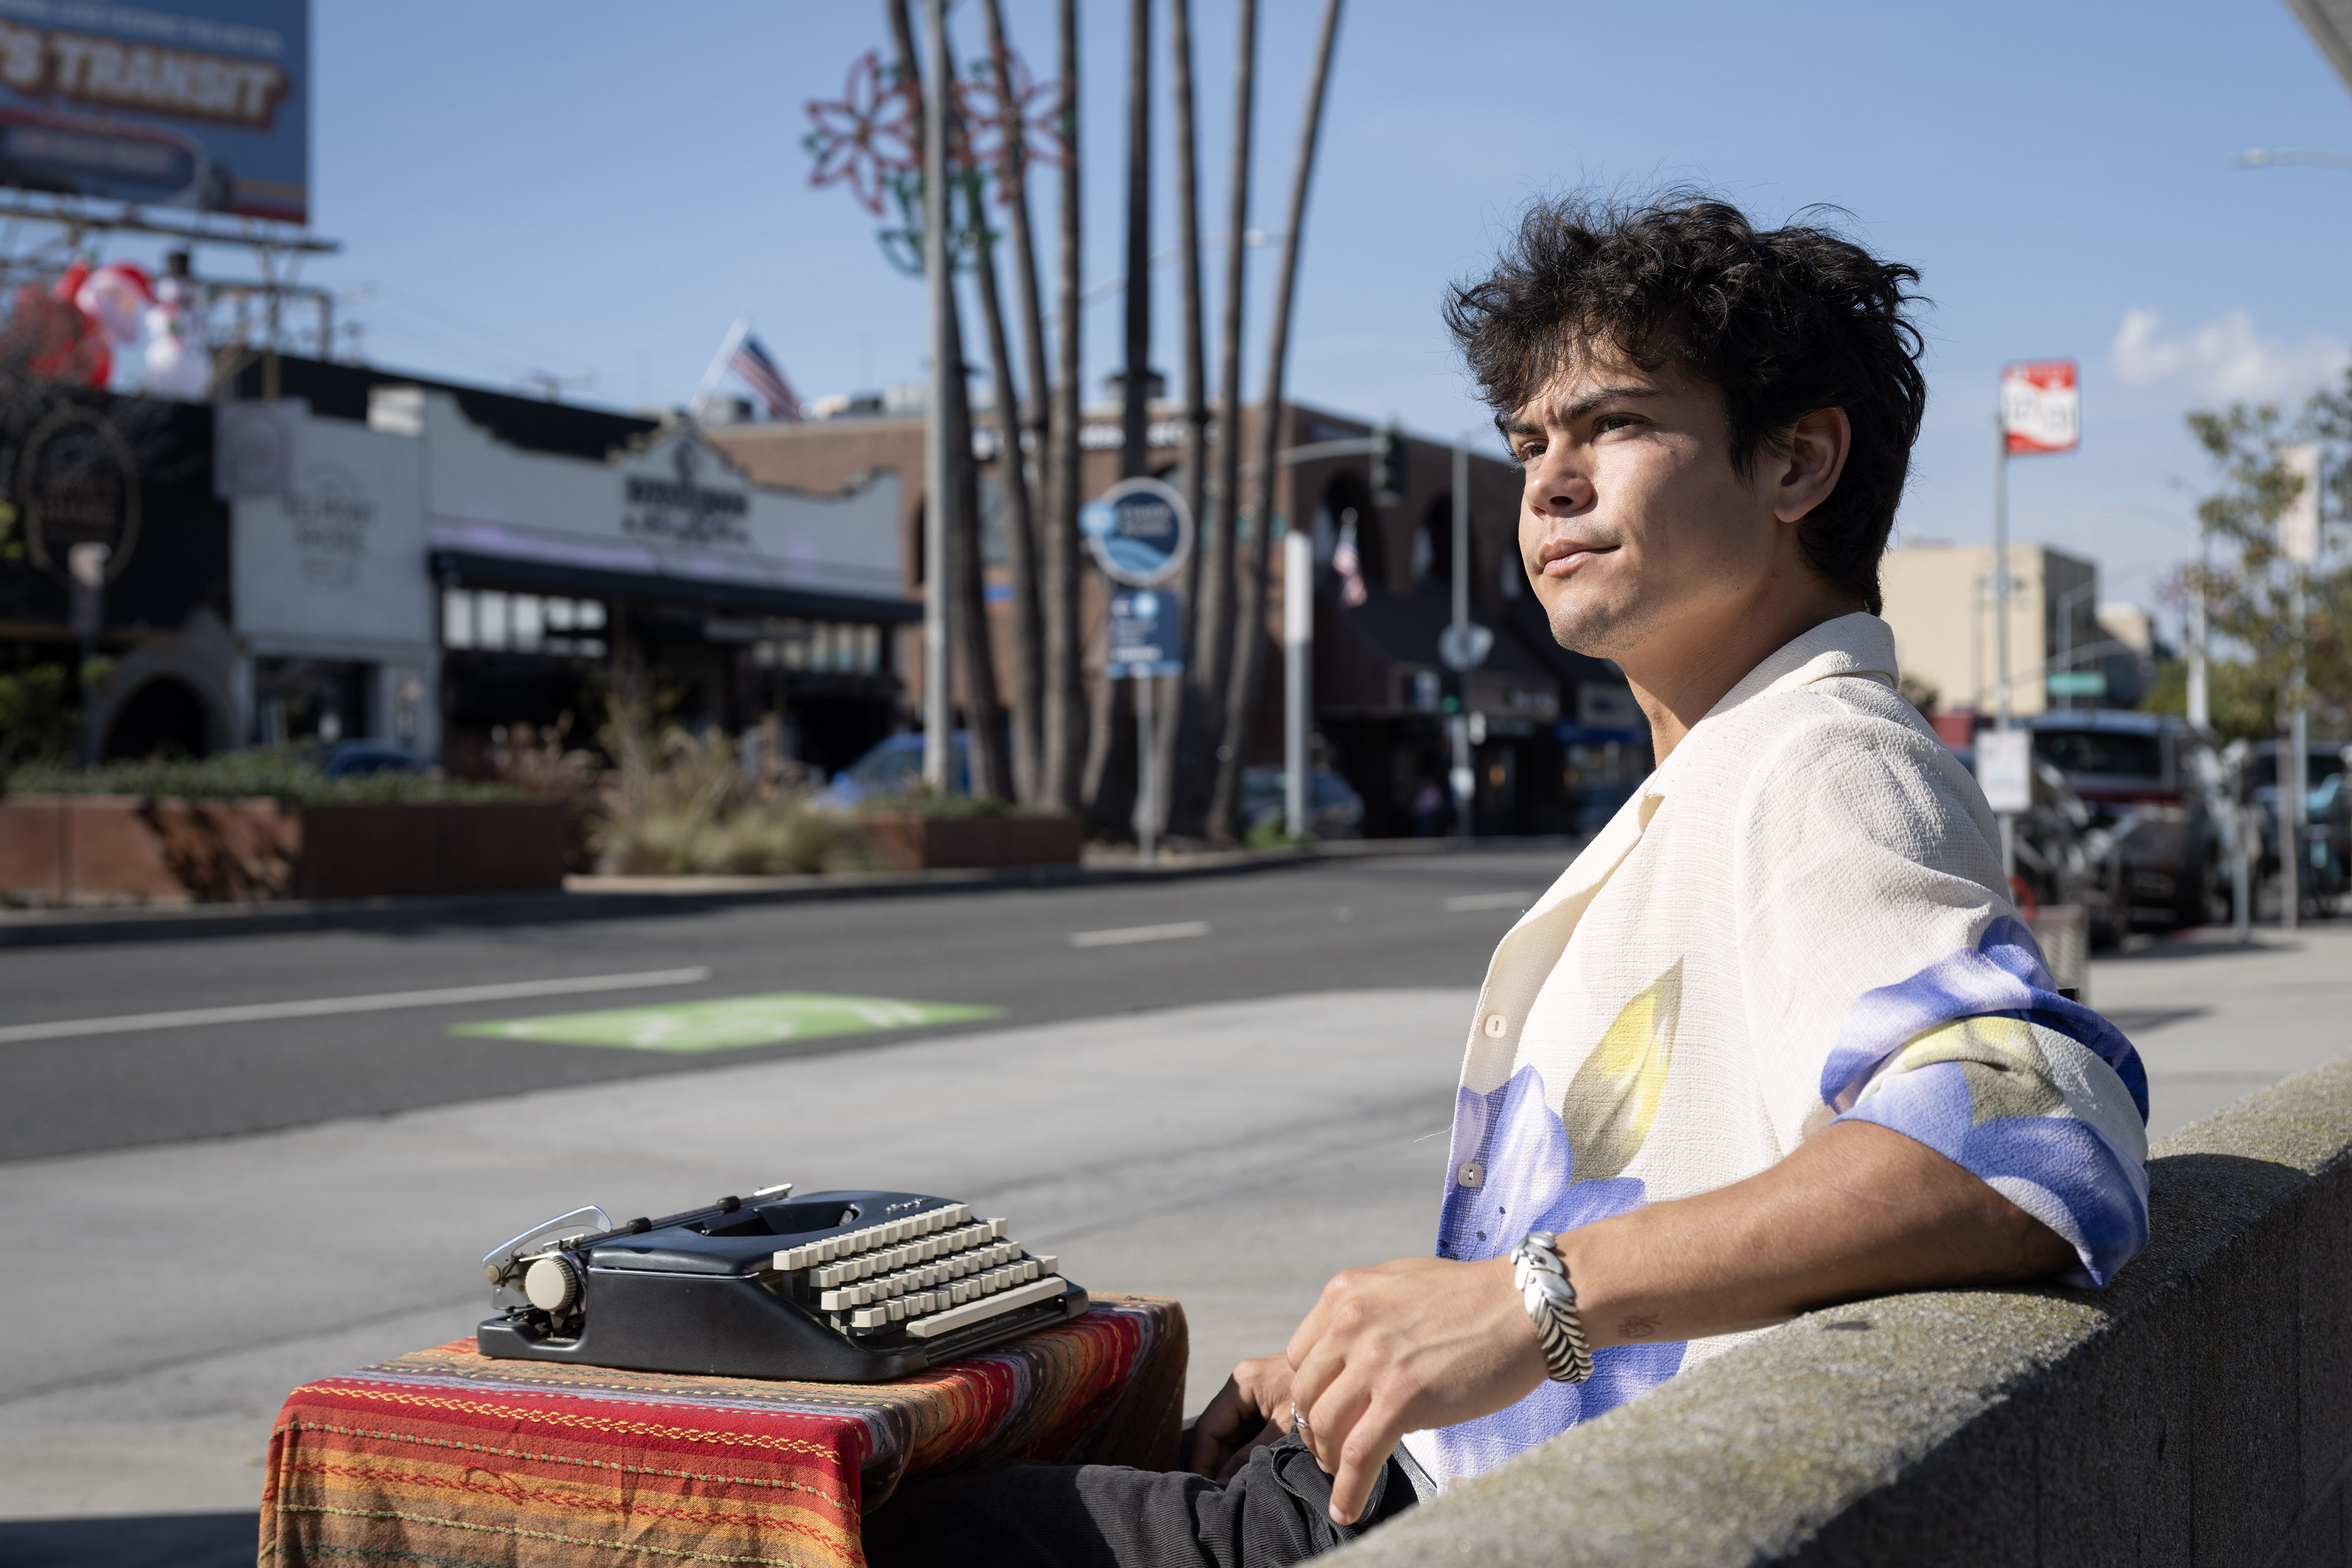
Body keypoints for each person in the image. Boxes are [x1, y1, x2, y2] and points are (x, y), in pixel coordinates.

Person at [865, 192, 2148, 1566]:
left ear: (1799, 464)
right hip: (1405, 1483)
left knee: (866, 1520)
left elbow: (2038, 1143)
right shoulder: (1721, 764)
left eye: (1617, 424)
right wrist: (1387, 1350)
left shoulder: (1823, 758)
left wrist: (1526, 1303)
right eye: (1533, 439)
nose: (1548, 481)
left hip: (1471, 1532)